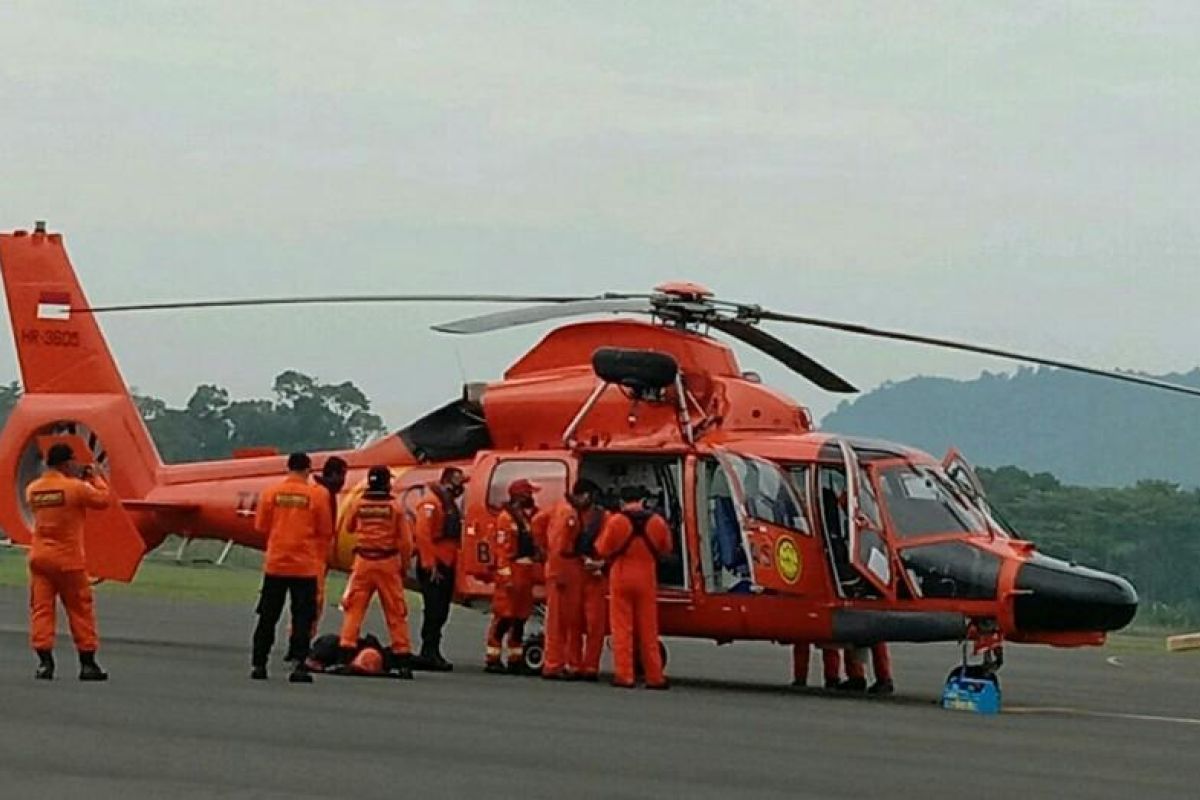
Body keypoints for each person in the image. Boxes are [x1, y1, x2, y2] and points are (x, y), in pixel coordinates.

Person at [25, 443, 111, 681]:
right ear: (66, 463)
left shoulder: (33, 490)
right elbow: (104, 500)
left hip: (40, 557)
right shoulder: (75, 488)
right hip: (68, 559)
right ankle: (87, 663)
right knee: (80, 610)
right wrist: (95, 477)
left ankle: (44, 663)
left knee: (41, 610)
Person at [251, 452, 334, 683]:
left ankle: (259, 664)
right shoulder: (317, 496)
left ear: (288, 468)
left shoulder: (271, 493)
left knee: (267, 617)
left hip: (276, 564)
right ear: (308, 470)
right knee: (302, 619)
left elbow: (261, 526)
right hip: (304, 567)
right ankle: (299, 665)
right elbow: (325, 530)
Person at [336, 466, 414, 679]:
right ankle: (402, 657)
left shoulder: (358, 503)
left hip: (363, 562)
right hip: (387, 563)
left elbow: (349, 527)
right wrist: (404, 566)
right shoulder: (395, 507)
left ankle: (345, 653)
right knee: (396, 612)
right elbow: (406, 542)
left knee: (353, 610)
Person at [594, 485, 672, 689]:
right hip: (646, 577)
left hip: (621, 576)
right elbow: (666, 549)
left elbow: (602, 549)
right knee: (649, 629)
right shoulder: (657, 522)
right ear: (643, 500)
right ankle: (655, 677)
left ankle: (624, 675)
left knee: (622, 629)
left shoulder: (616, 521)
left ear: (622, 502)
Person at [542, 479, 602, 680]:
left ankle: (571, 663)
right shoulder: (567, 514)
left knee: (571, 619)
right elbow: (559, 546)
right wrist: (557, 571)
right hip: (564, 568)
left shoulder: (563, 508)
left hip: (569, 568)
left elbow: (537, 523)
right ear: (584, 496)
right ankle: (554, 663)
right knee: (560, 620)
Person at [413, 466, 467, 671]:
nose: (460, 487)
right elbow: (423, 535)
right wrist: (430, 565)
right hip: (435, 564)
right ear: (446, 480)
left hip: (447, 563)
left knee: (441, 610)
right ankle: (428, 651)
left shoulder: (448, 503)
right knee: (434, 609)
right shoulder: (430, 503)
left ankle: (433, 649)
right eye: (458, 481)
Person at [485, 479, 541, 674]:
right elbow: (501, 551)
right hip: (512, 572)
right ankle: (493, 658)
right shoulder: (506, 519)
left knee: (520, 617)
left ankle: (514, 658)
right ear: (520, 496)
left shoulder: (524, 519)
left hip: (525, 572)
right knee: (504, 616)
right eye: (529, 494)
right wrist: (506, 577)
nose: (532, 498)